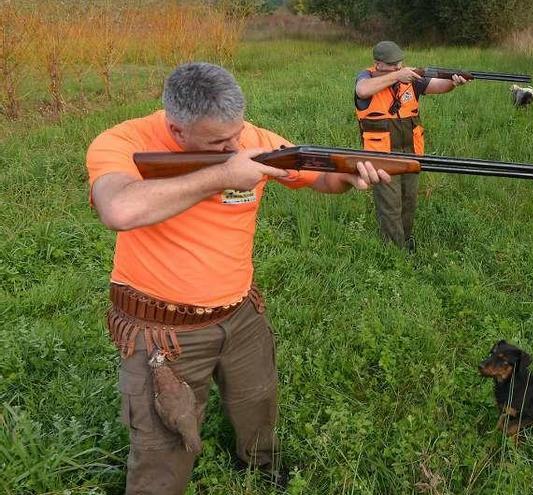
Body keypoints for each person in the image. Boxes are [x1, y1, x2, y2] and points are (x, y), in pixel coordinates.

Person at [86, 62, 391, 494]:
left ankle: (262, 466)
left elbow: (322, 177)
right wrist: (224, 175)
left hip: (241, 313)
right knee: (164, 439)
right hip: (163, 329)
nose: (235, 146)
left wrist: (348, 173)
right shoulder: (121, 142)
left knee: (258, 401)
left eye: (237, 134)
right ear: (176, 130)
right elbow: (118, 209)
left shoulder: (253, 139)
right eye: (218, 142)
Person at [354, 40, 468, 252]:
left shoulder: (410, 79)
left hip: (411, 153)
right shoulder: (366, 77)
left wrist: (453, 82)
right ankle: (394, 253)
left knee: (408, 200)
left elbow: (437, 86)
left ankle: (406, 241)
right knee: (390, 205)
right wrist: (397, 76)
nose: (399, 67)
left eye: (400, 63)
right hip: (382, 156)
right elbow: (362, 91)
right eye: (392, 65)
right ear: (377, 64)